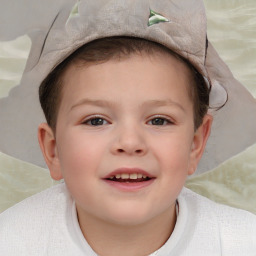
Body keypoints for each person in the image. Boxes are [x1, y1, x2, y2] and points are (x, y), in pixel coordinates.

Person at [0, 0, 256, 255]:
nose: (130, 143)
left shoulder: (241, 242)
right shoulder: (12, 241)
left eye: (159, 120)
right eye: (96, 120)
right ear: (53, 150)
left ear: (195, 144)